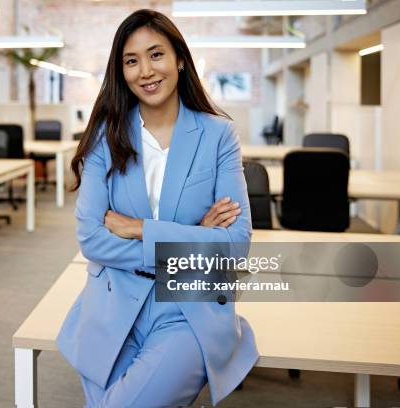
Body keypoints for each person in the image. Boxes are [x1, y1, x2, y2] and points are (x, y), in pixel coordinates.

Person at [57, 9, 258, 407]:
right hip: (113, 305)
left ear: (180, 59)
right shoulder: (104, 137)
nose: (145, 71)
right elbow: (92, 240)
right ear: (121, 71)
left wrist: (140, 229)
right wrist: (196, 237)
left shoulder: (218, 135)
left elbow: (235, 246)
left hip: (189, 308)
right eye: (131, 61)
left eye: (156, 55)